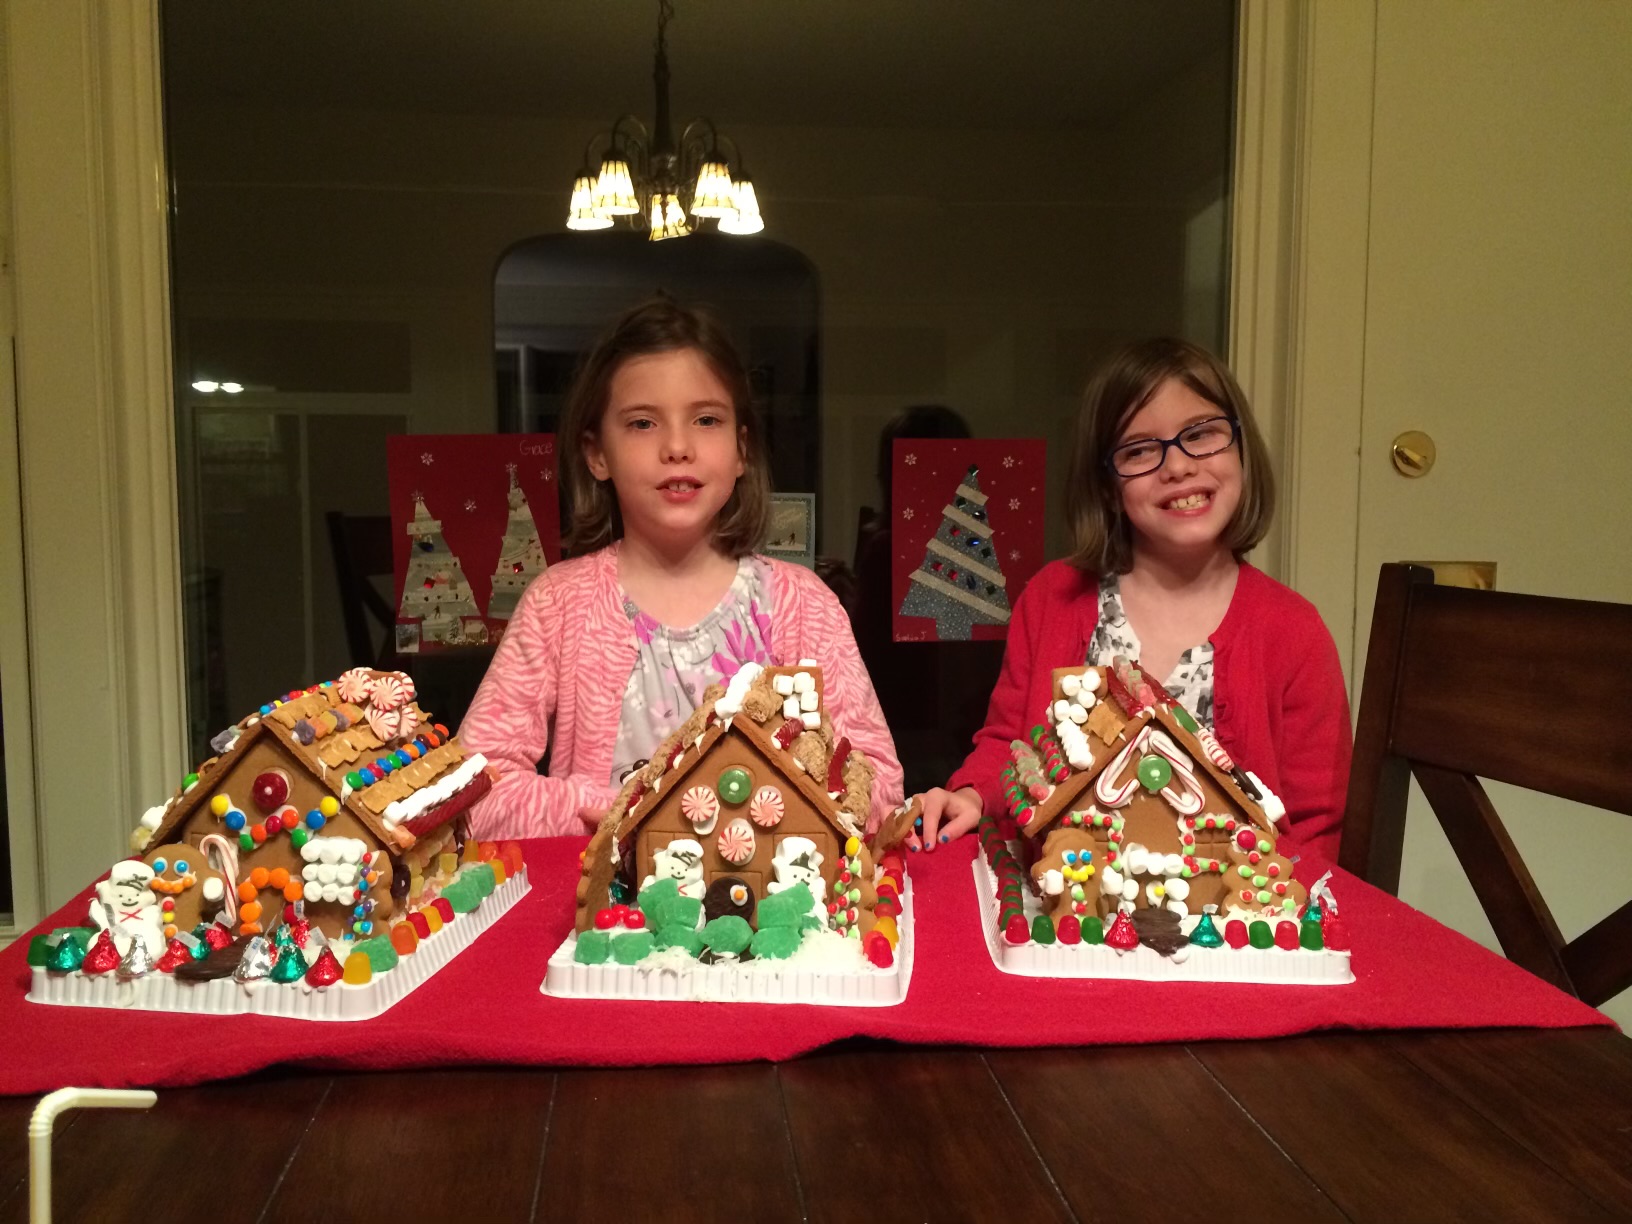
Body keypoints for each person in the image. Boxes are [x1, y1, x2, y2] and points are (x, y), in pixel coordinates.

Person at [460, 296, 903, 838]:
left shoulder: (802, 603)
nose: (677, 447)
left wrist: (775, 802)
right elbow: (476, 791)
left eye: (706, 419)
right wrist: (621, 804)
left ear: (741, 451)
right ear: (597, 454)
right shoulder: (558, 604)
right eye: (643, 423)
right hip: (605, 917)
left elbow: (878, 786)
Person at [913, 337, 1351, 863]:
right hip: (1067, 913)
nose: (1179, 466)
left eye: (1202, 434)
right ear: (1106, 485)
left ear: (1241, 446)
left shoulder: (1293, 630)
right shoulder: (1053, 598)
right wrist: (968, 795)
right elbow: (1009, 745)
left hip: (1236, 930)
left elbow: (1317, 825)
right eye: (1140, 449)